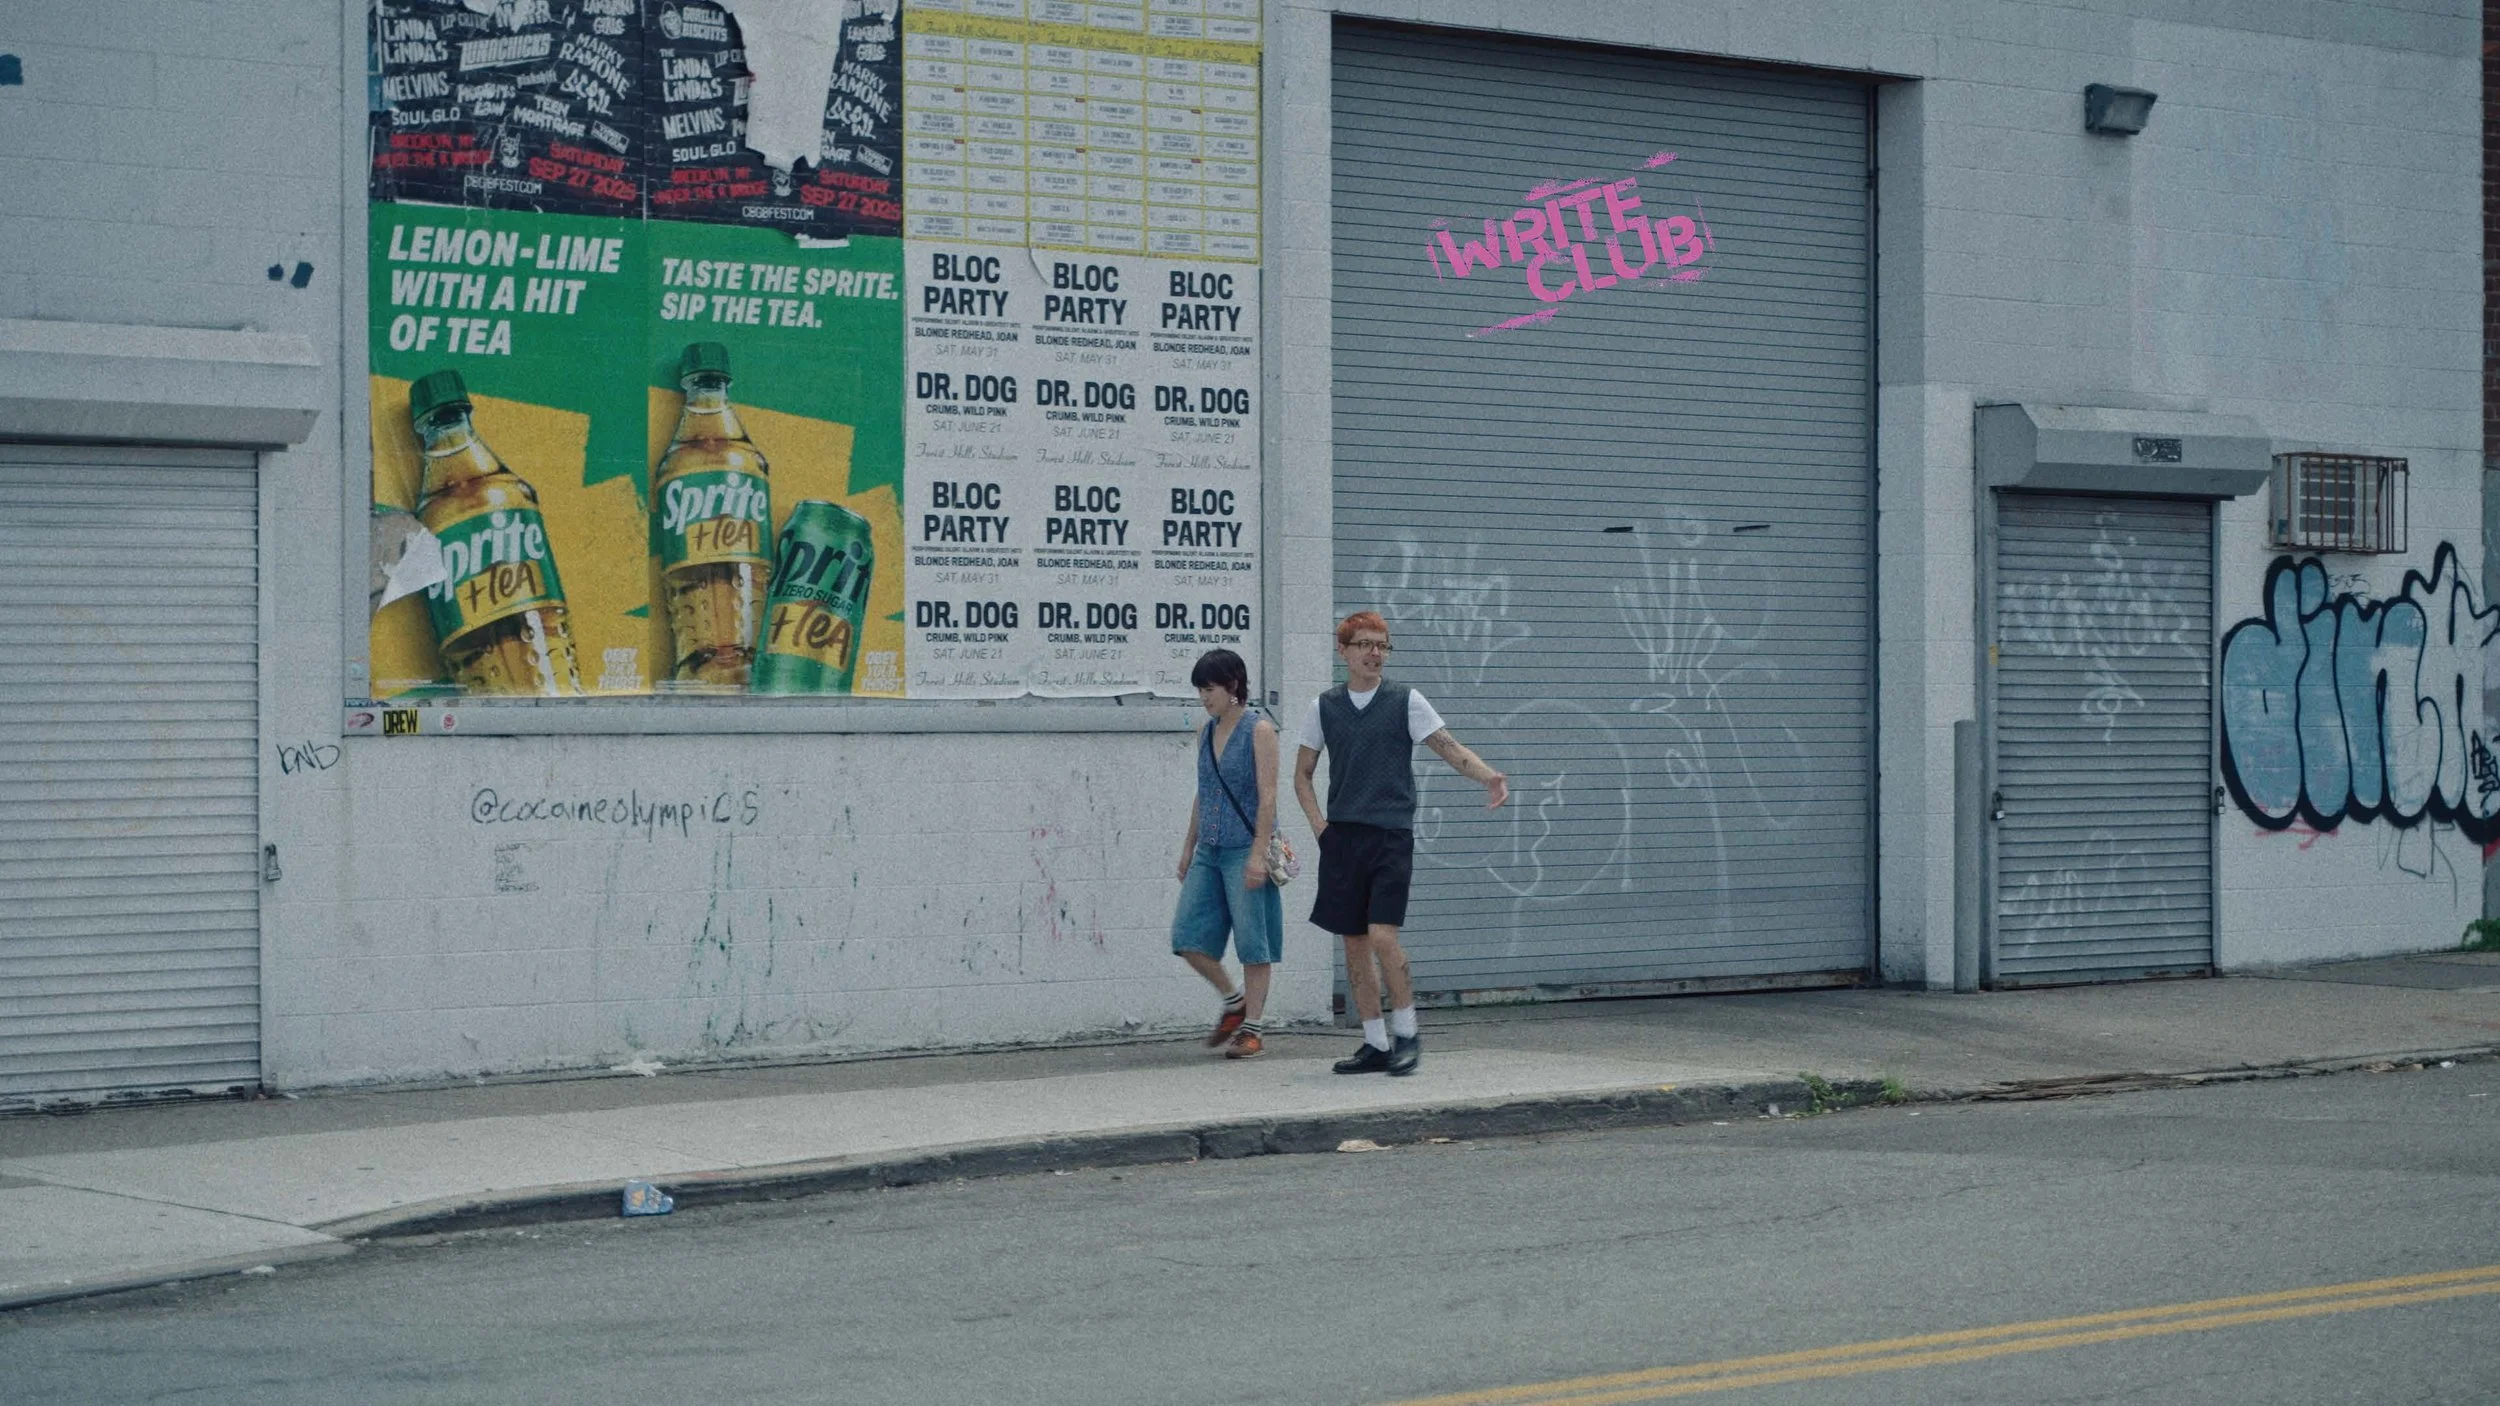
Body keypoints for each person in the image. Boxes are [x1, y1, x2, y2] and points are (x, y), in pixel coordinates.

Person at [1295, 611, 1507, 1076]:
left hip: (1390, 836)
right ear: (1344, 651)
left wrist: (1487, 775)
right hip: (1342, 838)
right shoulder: (1324, 707)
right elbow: (1302, 775)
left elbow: (1448, 747)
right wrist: (1320, 828)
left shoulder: (1405, 701)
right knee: (1352, 943)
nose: (1375, 653)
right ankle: (1374, 1043)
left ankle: (1408, 1034)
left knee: (1382, 937)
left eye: (1383, 645)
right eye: (1366, 644)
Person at [1171, 647, 1284, 1059]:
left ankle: (1252, 1029)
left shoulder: (1259, 731)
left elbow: (1268, 797)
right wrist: (1188, 847)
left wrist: (1257, 855)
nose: (1204, 697)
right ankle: (1233, 1000)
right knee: (1187, 937)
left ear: (1233, 686)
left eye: (1210, 688)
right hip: (1210, 849)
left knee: (1254, 942)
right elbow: (1204, 793)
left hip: (1244, 848)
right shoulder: (1205, 731)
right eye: (1200, 690)